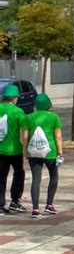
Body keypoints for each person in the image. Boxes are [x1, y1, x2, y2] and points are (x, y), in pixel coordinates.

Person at [22, 94, 63, 218]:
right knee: (54, 176)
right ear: (48, 105)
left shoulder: (28, 117)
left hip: (33, 151)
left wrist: (25, 152)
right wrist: (60, 152)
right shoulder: (54, 117)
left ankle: (35, 209)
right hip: (50, 151)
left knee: (36, 179)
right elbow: (58, 136)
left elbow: (24, 137)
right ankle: (49, 205)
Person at [0, 85, 27, 215]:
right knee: (19, 174)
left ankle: (0, 205)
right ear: (14, 98)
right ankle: (15, 201)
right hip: (15, 149)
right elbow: (25, 130)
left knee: (1, 176)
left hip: (0, 150)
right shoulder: (18, 112)